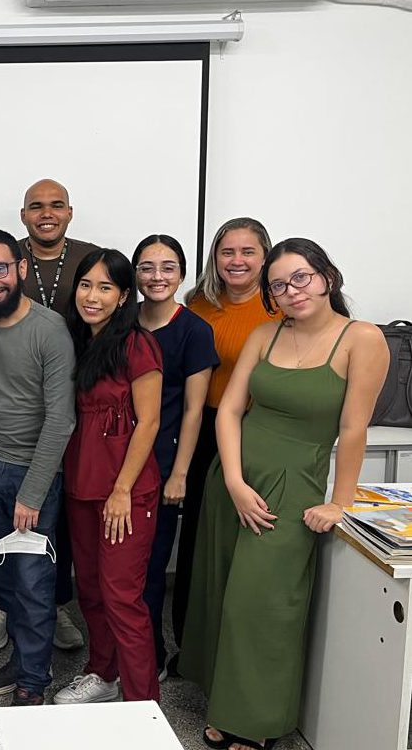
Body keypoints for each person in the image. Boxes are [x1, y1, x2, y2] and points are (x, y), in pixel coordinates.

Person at [182, 239, 386, 750]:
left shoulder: (362, 339)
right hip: (233, 478)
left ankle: (255, 720)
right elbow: (230, 410)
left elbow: (354, 430)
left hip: (292, 485)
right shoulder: (264, 333)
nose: (291, 290)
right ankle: (224, 701)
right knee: (221, 594)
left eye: (301, 277)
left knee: (264, 604)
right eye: (278, 285)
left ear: (327, 277)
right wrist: (233, 481)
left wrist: (339, 502)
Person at [0, 230, 75, 707]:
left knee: (33, 583)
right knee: (5, 577)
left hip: (36, 475)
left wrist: (32, 493)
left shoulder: (50, 330)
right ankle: (25, 658)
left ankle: (33, 680)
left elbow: (61, 419)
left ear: (21, 268)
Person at [55, 248, 162, 706]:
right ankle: (103, 673)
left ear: (123, 296)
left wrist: (122, 490)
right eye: (85, 285)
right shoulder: (78, 341)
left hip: (125, 491)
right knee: (91, 590)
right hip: (82, 483)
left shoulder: (137, 345)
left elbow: (150, 421)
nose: (92, 296)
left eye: (105, 287)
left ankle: (143, 705)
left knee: (122, 597)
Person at [173, 217, 277, 673]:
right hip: (204, 428)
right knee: (199, 537)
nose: (237, 261)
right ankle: (190, 645)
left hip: (259, 431)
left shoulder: (281, 308)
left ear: (265, 257)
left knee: (247, 537)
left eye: (247, 251)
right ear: (214, 257)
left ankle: (237, 650)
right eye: (227, 251)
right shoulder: (198, 304)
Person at [10, 177, 98, 652]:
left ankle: (58, 602)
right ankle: (4, 604)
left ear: (70, 212)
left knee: (61, 510)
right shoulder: (8, 257)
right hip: (18, 404)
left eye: (56, 205)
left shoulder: (90, 258)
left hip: (81, 400)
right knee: (14, 504)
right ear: (23, 215)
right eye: (37, 206)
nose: (47, 213)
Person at [132, 236, 218, 680]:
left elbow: (193, 410)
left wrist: (180, 473)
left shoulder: (194, 331)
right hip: (117, 460)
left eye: (168, 267)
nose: (157, 277)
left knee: (148, 568)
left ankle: (150, 654)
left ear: (182, 274)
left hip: (162, 464)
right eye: (147, 267)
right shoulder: (122, 320)